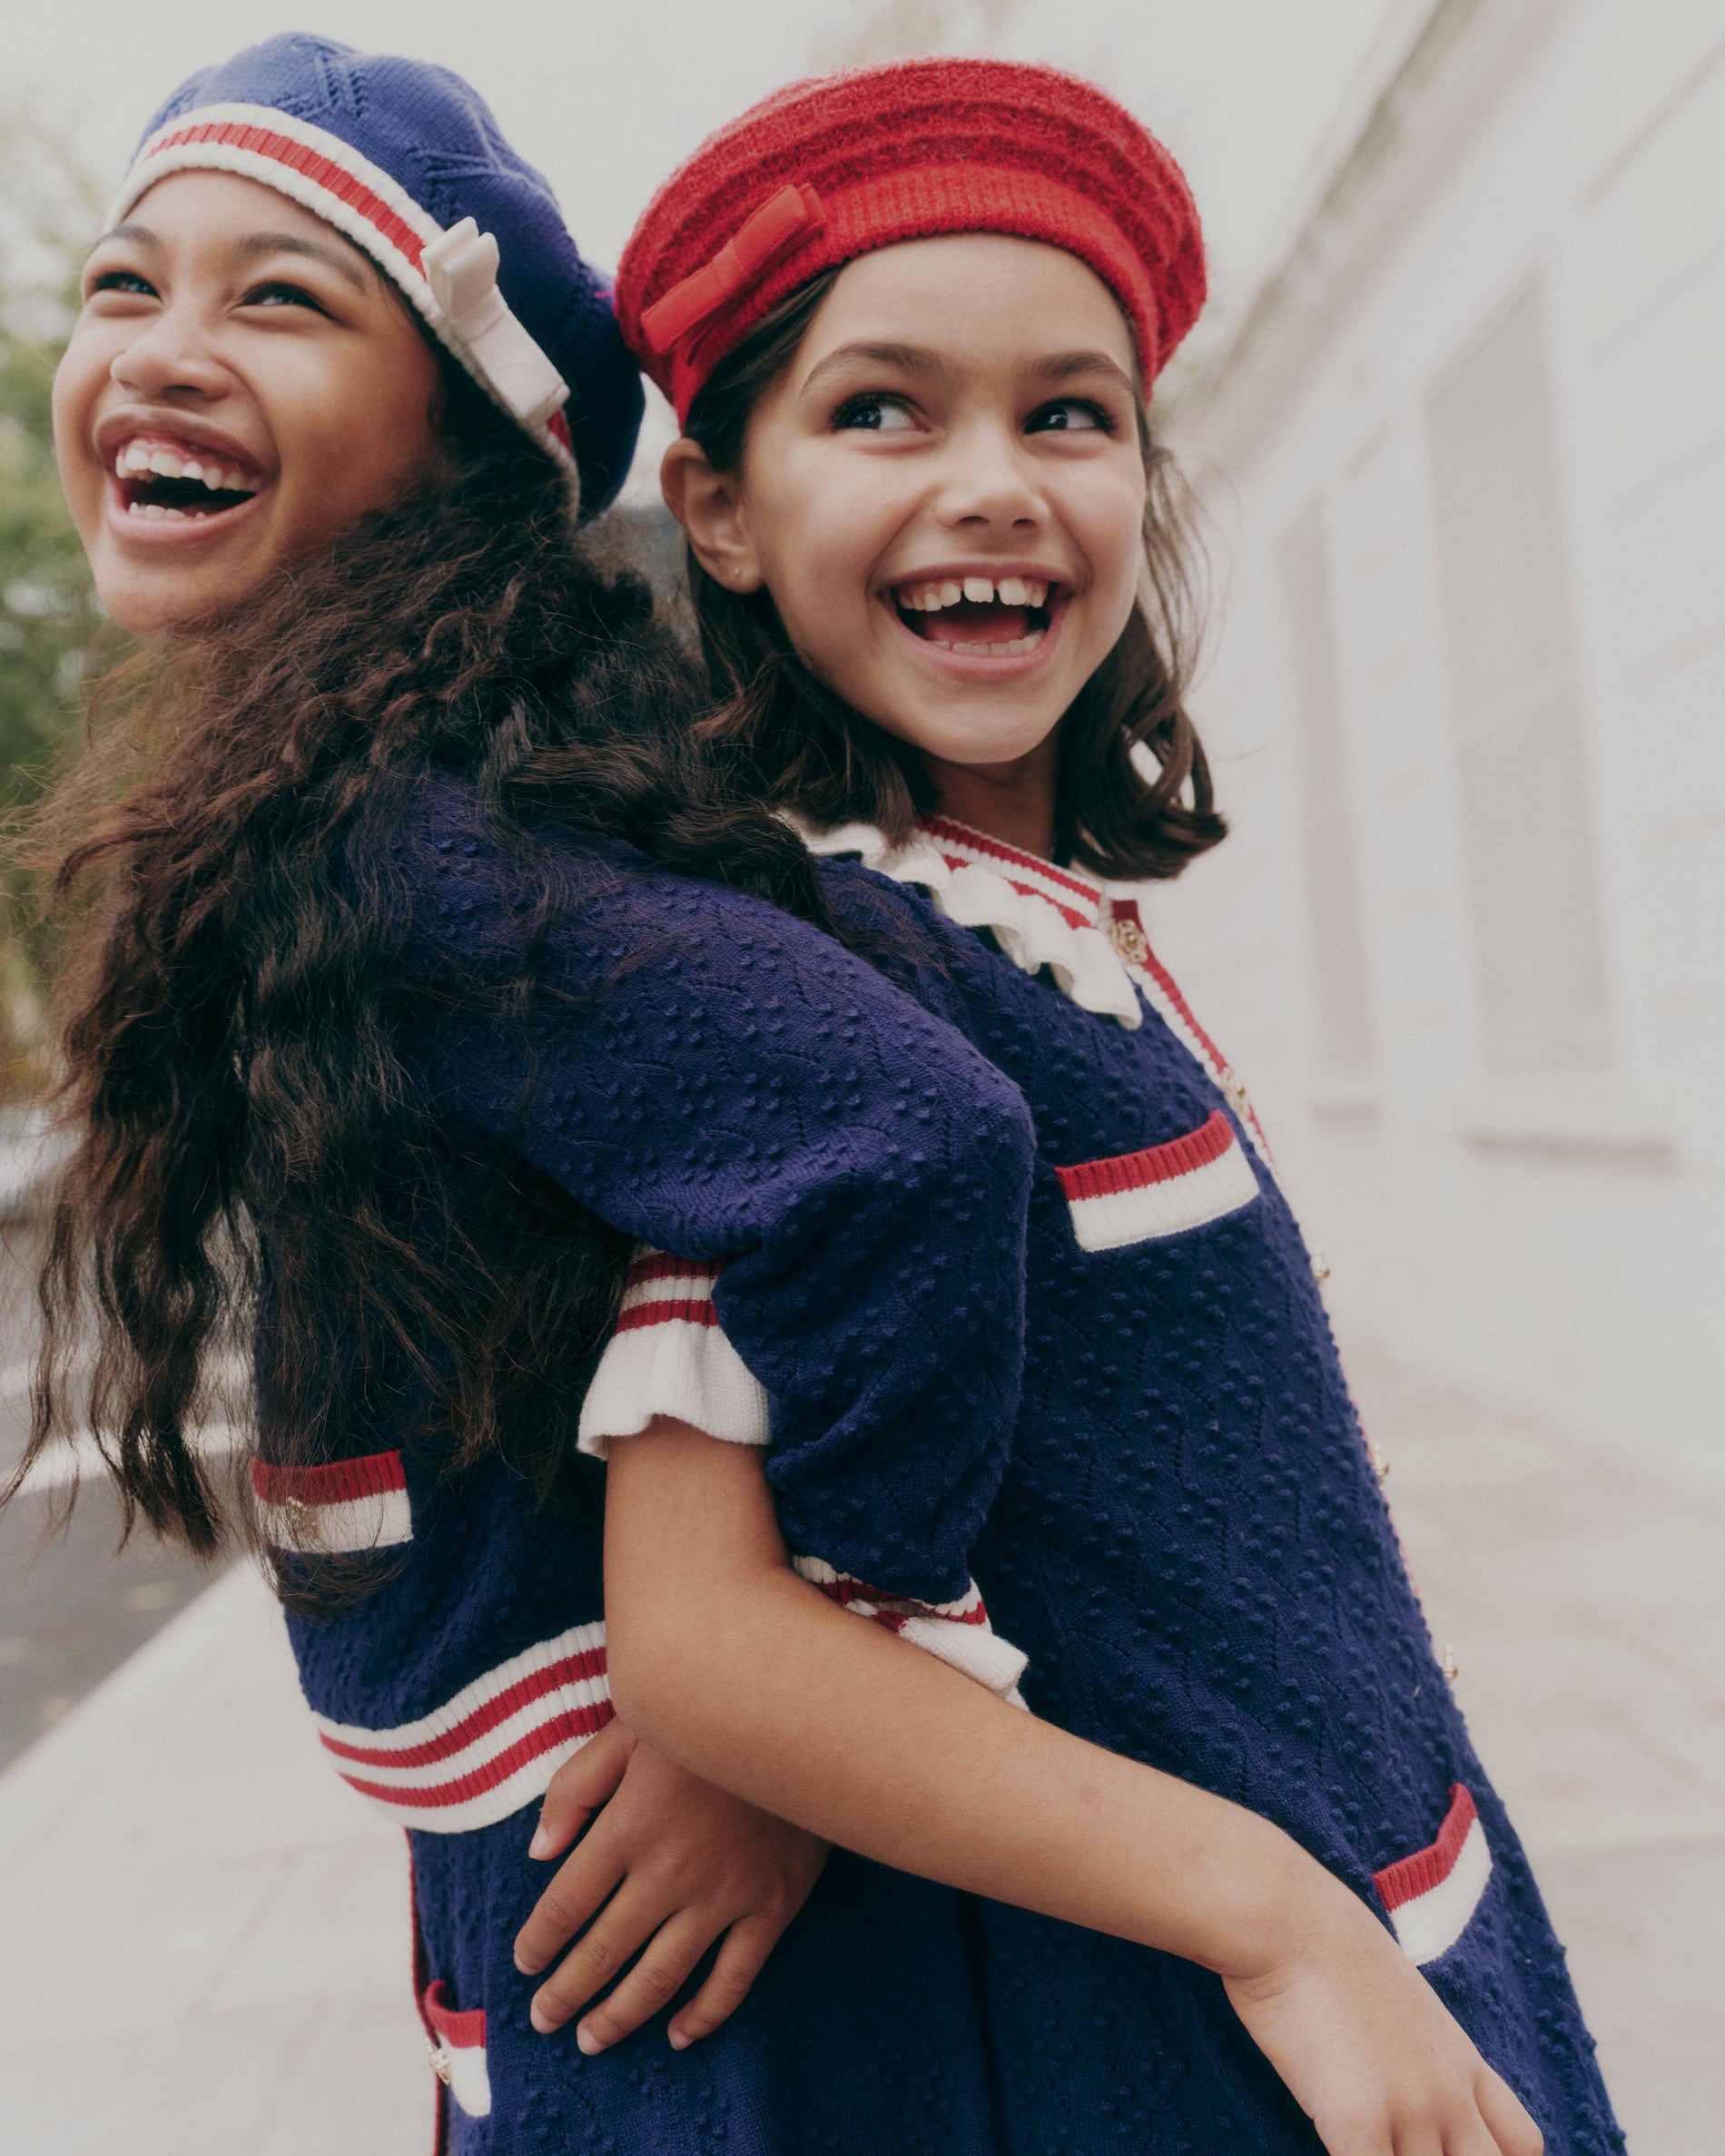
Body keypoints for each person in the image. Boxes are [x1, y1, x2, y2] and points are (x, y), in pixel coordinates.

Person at [509, 57, 1624, 2154]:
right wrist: (1276, 1926)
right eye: (881, 409)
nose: (994, 484)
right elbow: (703, 1638)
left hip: (1387, 1918)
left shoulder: (1017, 923)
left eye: (1066, 414)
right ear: (718, 508)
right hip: (1192, 2026)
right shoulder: (807, 980)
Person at [14, 33, 1050, 2150]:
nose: (164, 347)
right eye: (128, 283)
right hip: (544, 1858)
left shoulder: (426, 851)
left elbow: (904, 1146)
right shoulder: (336, 801)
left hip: (646, 1918)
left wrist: (795, 1704)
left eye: (280, 297)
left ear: (473, 446)